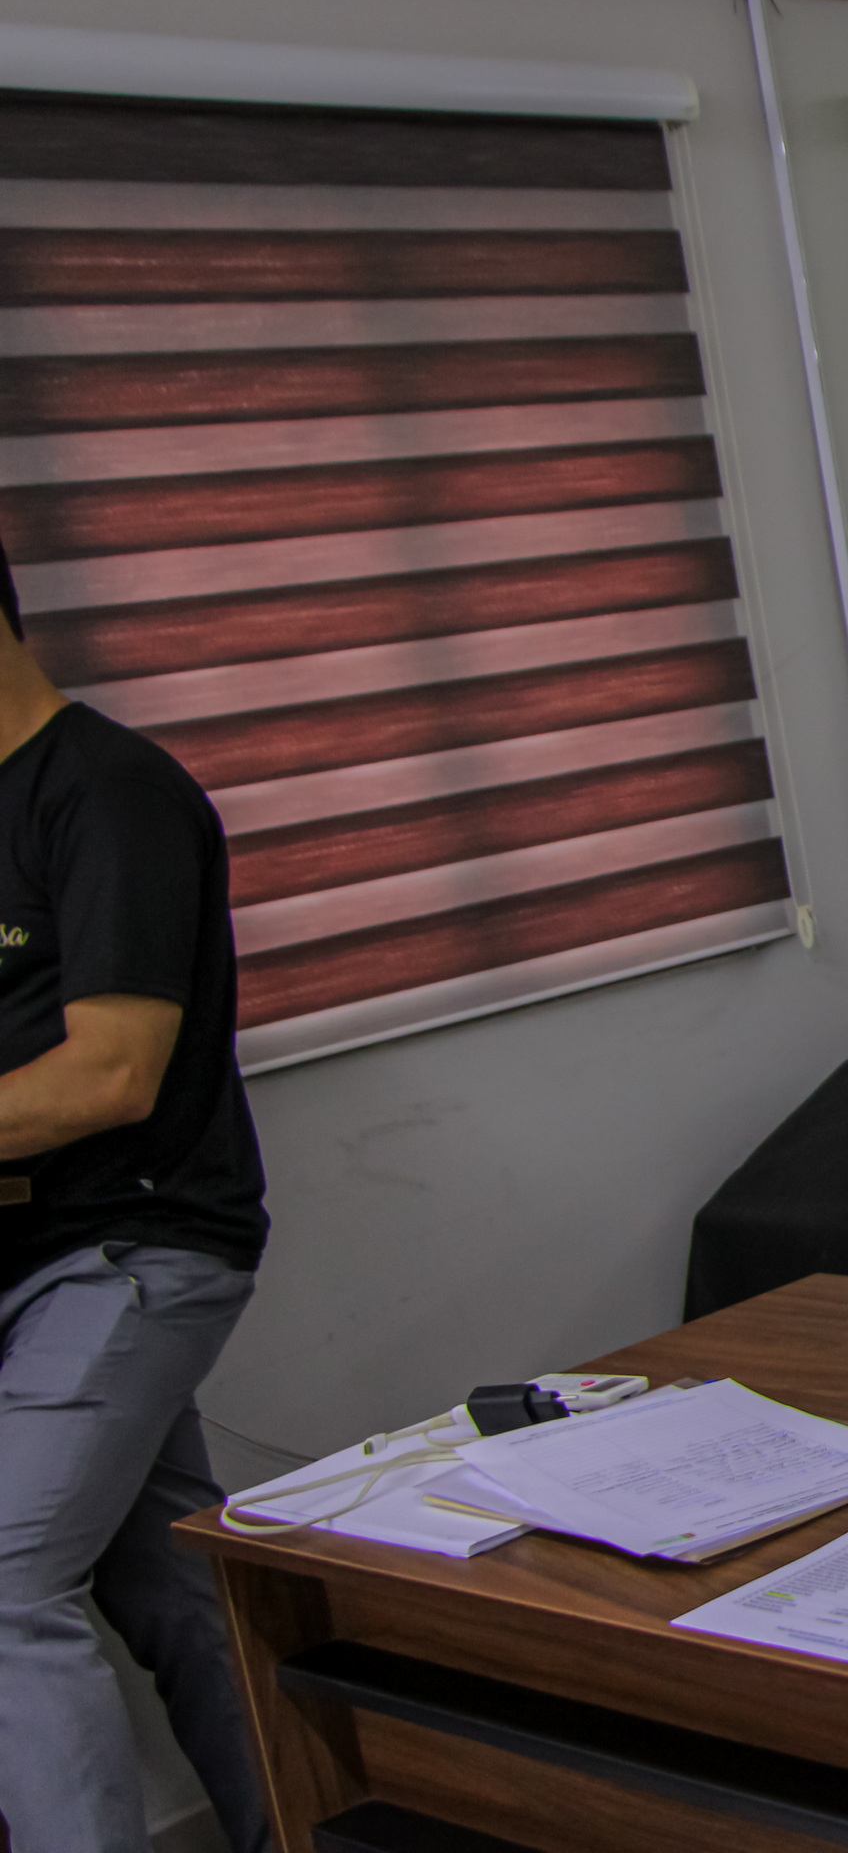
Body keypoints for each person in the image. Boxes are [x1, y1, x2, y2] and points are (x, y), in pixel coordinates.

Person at [0, 537, 276, 1851]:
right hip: (27, 1255)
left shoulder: (109, 793)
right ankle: (308, 1824)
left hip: (130, 1248)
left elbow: (111, 1075)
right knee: (173, 1585)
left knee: (2, 1590)